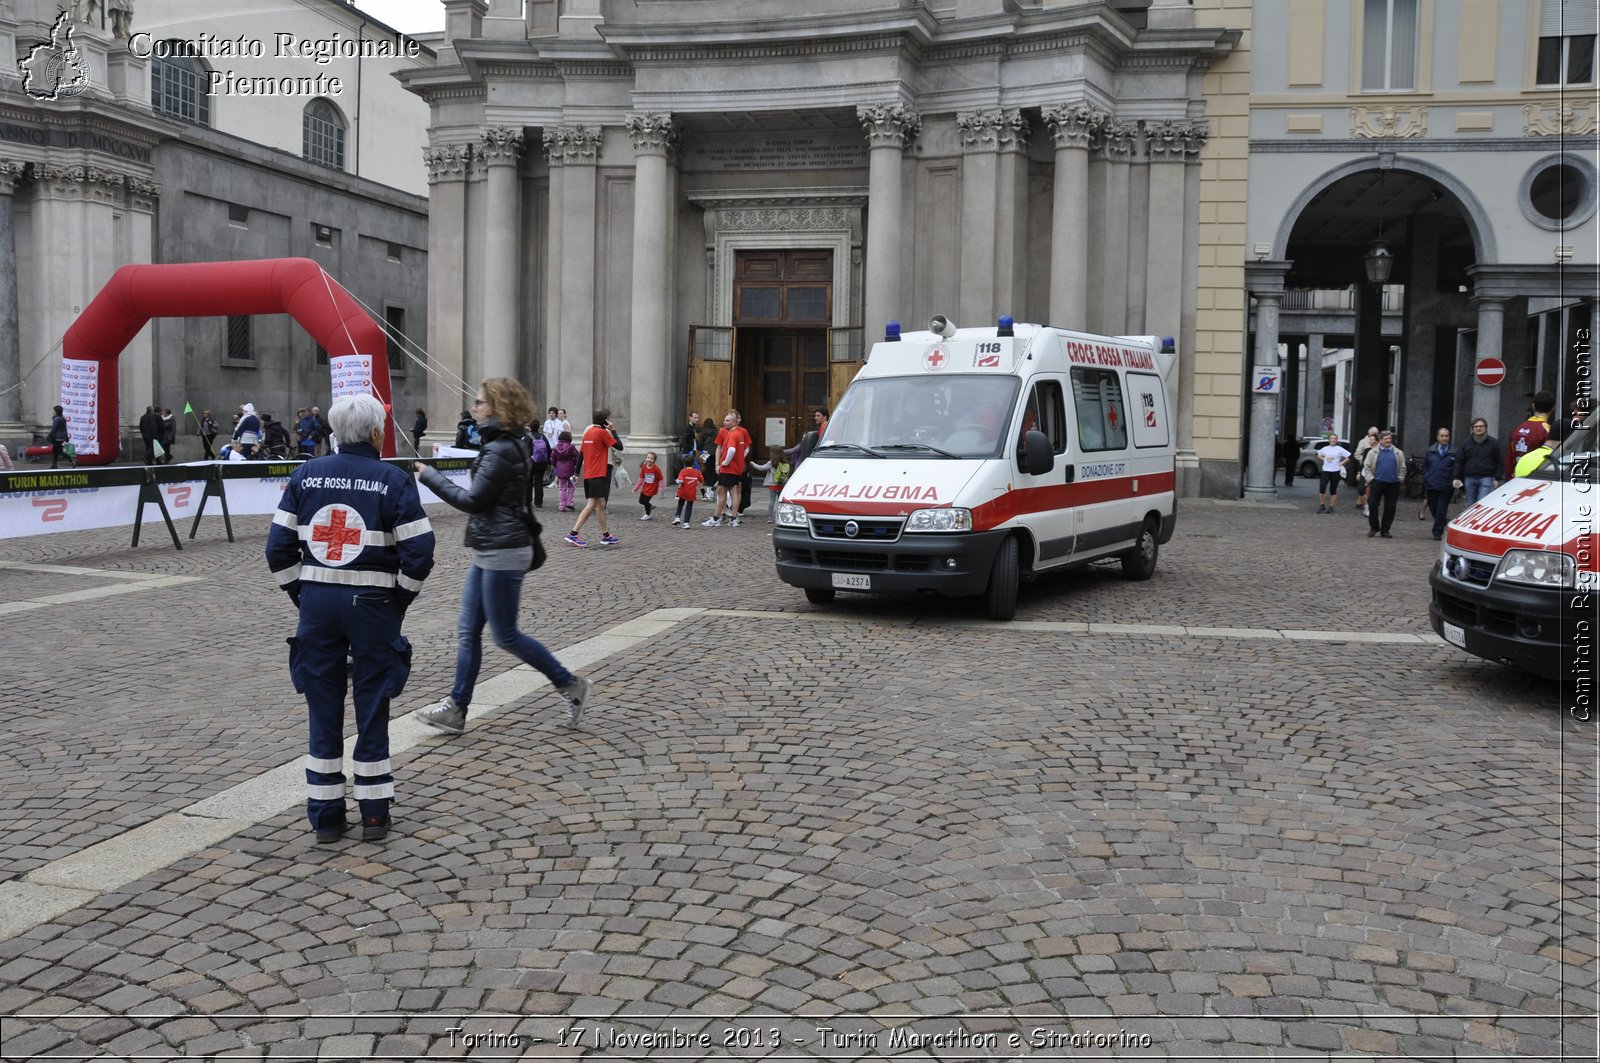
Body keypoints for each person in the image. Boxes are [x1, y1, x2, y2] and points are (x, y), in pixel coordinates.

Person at [264, 393, 436, 844]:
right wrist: (399, 599)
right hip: (374, 607)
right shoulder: (393, 480)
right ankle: (375, 814)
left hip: (318, 606)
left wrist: (302, 594)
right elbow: (420, 552)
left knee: (322, 705)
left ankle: (325, 817)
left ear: (336, 433)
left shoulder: (305, 474)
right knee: (373, 701)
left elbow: (277, 549)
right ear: (377, 432)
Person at [414, 378, 591, 736]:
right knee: (468, 631)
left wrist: (429, 476)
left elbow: (471, 501)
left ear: (495, 407)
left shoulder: (500, 449)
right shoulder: (505, 443)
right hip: (492, 546)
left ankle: (569, 683)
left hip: (503, 549)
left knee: (505, 635)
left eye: (479, 403)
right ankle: (457, 708)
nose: (475, 408)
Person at [566, 408, 623, 547]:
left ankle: (606, 535)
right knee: (592, 504)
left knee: (601, 504)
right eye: (608, 419)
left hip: (589, 474)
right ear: (604, 420)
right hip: (598, 474)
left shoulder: (587, 433)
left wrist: (577, 472)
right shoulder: (602, 433)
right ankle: (573, 533)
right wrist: (612, 430)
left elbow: (582, 455)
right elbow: (619, 446)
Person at [703, 409, 752, 527]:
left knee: (723, 491)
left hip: (730, 468)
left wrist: (725, 462)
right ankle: (731, 518)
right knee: (733, 491)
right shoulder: (733, 432)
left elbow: (733, 449)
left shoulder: (734, 433)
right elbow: (720, 447)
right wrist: (717, 463)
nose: (724, 422)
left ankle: (716, 518)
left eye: (727, 420)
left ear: (736, 421)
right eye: (725, 420)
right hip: (736, 467)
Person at [1362, 430, 1407, 538]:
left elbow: (1403, 468)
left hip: (1393, 483)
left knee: (1390, 507)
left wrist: (1400, 479)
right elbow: (1366, 467)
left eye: (1390, 439)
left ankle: (1385, 530)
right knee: (1372, 505)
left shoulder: (1398, 453)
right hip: (1377, 482)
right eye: (1386, 439)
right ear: (1380, 440)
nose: (1388, 440)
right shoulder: (1373, 452)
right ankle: (1374, 527)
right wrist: (1371, 480)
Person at [1421, 426, 1460, 541]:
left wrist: (1454, 479)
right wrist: (1427, 477)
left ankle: (1437, 532)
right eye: (1442, 436)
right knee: (1433, 508)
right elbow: (1425, 466)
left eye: (1446, 436)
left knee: (1442, 507)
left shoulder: (1454, 452)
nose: (1444, 438)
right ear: (1437, 437)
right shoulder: (1430, 450)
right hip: (1432, 484)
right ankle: (1443, 521)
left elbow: (1457, 467)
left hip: (1446, 485)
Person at [1506, 390, 1555, 479]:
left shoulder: (1517, 429)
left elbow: (1509, 457)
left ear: (1533, 406)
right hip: (1534, 479)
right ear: (1553, 408)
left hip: (1515, 479)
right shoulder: (1548, 431)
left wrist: (1509, 477)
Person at [1458, 418, 1500, 507]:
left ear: (1486, 428)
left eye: (1481, 426)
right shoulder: (1465, 443)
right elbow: (1459, 461)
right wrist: (1456, 477)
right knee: (1470, 505)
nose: (1478, 428)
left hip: (1487, 478)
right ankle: (1471, 520)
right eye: (1475, 426)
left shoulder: (1493, 443)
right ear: (1472, 429)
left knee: (1481, 504)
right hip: (1470, 478)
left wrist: (1497, 478)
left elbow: (1499, 461)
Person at [1314, 432, 1350, 514]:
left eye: (1335, 438)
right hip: (1326, 470)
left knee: (1333, 490)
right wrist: (1323, 459)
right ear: (1329, 440)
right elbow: (1317, 454)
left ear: (1337, 440)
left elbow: (1349, 457)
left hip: (1335, 471)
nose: (1333, 440)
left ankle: (1331, 507)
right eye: (1332, 438)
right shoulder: (1325, 448)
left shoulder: (1340, 449)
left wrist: (1341, 463)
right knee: (1322, 488)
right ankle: (1322, 505)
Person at [753, 445, 789, 523]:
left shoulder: (771, 463)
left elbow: (761, 468)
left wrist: (753, 464)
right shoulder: (784, 463)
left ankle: (770, 517)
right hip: (782, 485)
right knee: (780, 502)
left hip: (773, 485)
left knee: (772, 501)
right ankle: (780, 516)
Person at [1352, 426, 1380, 513]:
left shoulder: (1380, 447)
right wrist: (1360, 471)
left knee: (1371, 490)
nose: (1376, 435)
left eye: (1376, 433)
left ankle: (1368, 505)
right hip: (1365, 470)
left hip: (1375, 471)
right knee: (1362, 489)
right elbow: (1358, 455)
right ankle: (1366, 504)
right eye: (1374, 433)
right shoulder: (1364, 443)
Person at [552, 430, 579, 511]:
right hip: (570, 468)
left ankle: (561, 506)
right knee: (572, 486)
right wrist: (573, 463)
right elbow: (578, 457)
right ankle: (569, 502)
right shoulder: (571, 447)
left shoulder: (555, 447)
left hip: (560, 468)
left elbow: (552, 459)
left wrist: (557, 465)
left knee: (562, 488)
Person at [671, 459, 703, 527]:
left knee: (680, 504)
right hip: (691, 493)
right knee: (689, 507)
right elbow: (701, 480)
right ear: (693, 464)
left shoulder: (683, 471)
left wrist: (677, 481)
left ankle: (677, 517)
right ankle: (686, 522)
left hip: (683, 492)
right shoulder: (696, 472)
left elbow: (680, 480)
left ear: (684, 464)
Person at [633, 451, 663, 520]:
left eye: (651, 458)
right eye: (648, 457)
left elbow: (660, 478)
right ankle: (650, 506)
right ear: (646, 458)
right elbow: (641, 478)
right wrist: (636, 488)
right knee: (641, 501)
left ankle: (647, 515)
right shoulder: (644, 467)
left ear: (654, 460)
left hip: (652, 488)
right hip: (645, 487)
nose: (649, 459)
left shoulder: (656, 469)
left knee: (646, 501)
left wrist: (661, 487)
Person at [528, 426, 551, 507]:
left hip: (529, 463)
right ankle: (538, 502)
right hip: (541, 463)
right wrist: (548, 462)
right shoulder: (543, 437)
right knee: (539, 482)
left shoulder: (527, 437)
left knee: (528, 482)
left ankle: (528, 499)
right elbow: (549, 450)